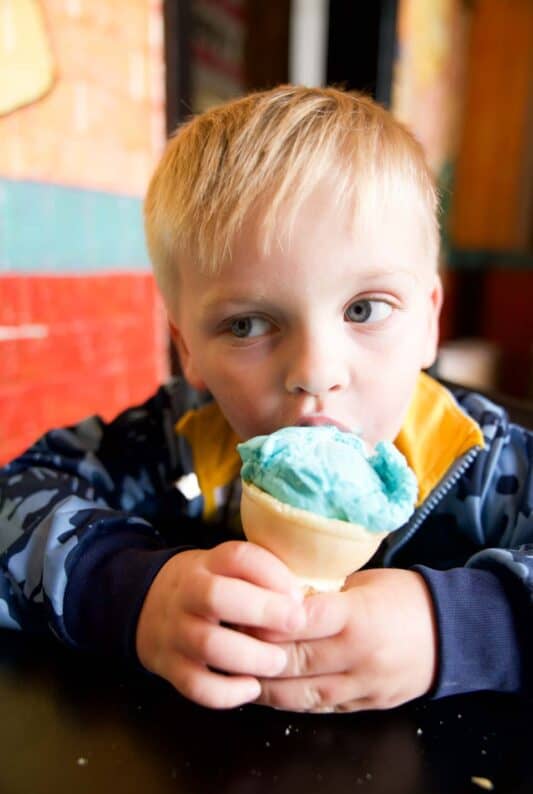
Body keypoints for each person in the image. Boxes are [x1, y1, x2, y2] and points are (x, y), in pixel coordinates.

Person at [1, 85, 532, 712]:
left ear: (427, 323)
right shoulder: (174, 439)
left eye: (364, 309)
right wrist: (133, 592)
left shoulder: (486, 458)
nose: (314, 372)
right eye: (248, 324)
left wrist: (467, 627)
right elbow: (15, 498)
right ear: (188, 349)